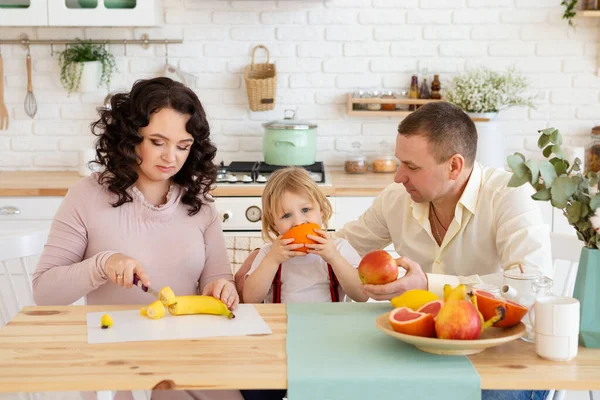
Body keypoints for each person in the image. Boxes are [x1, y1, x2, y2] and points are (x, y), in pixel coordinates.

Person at [236, 102, 552, 400]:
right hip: (422, 346)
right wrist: (262, 256)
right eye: (399, 162)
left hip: (498, 354)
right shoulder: (397, 198)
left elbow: (529, 289)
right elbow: (339, 244)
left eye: (411, 166)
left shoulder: (509, 195)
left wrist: (428, 284)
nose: (398, 176)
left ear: (454, 166)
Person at [33, 77, 242, 400]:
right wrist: (103, 264)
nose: (171, 157)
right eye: (158, 142)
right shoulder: (87, 196)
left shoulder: (200, 202)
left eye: (183, 146)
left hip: (189, 356)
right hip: (116, 366)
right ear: (130, 138)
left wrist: (222, 287)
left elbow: (217, 277)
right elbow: (45, 292)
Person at [241, 167, 367, 400]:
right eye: (286, 216)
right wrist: (272, 260)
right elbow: (249, 298)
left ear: (322, 211)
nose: (298, 222)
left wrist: (332, 257)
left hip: (329, 343)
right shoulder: (270, 253)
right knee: (253, 389)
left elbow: (361, 294)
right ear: (273, 224)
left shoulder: (338, 248)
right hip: (279, 344)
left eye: (306, 210)